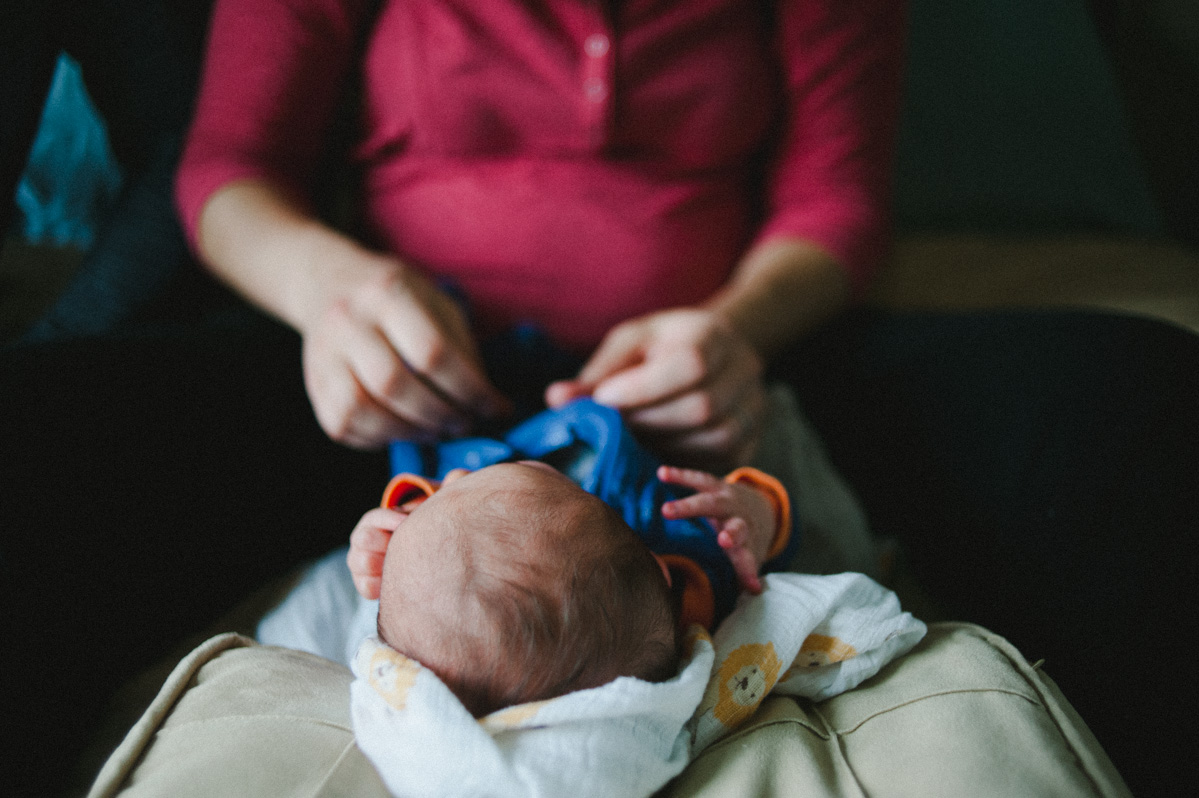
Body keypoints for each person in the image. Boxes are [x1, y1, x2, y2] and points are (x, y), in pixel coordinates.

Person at [352, 457, 784, 717]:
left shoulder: (436, 586)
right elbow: (764, 543)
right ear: (661, 569)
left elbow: (455, 555)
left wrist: (392, 533)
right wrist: (758, 510)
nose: (459, 473)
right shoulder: (691, 583)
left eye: (451, 486)